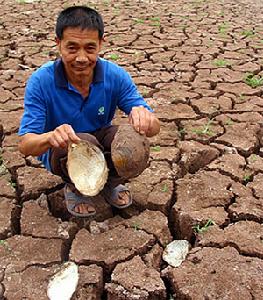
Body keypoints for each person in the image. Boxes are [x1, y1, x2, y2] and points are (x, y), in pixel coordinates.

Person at [18, 6, 160, 217]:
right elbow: (25, 145)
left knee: (133, 139)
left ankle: (109, 184)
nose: (82, 57)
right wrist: (50, 137)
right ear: (58, 44)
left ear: (101, 43)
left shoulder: (115, 76)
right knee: (81, 140)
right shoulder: (41, 81)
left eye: (90, 48)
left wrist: (146, 119)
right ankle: (75, 188)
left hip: (100, 138)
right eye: (72, 48)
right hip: (63, 151)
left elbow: (154, 127)